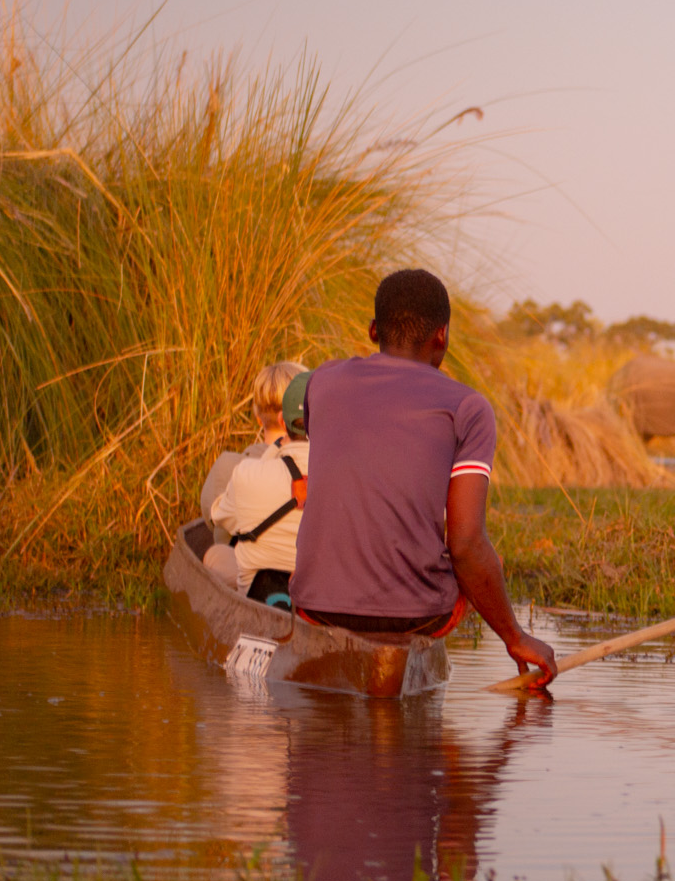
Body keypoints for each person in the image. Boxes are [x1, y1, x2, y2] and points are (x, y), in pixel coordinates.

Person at [292, 269, 557, 689]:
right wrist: (515, 636)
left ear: (374, 329)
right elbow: (466, 545)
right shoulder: (467, 407)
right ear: (442, 336)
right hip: (418, 616)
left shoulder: (320, 382)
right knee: (489, 564)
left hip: (314, 606)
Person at [206, 361, 311, 607]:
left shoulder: (243, 472)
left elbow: (217, 519)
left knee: (216, 554)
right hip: (316, 593)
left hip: (259, 590)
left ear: (283, 423)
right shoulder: (343, 479)